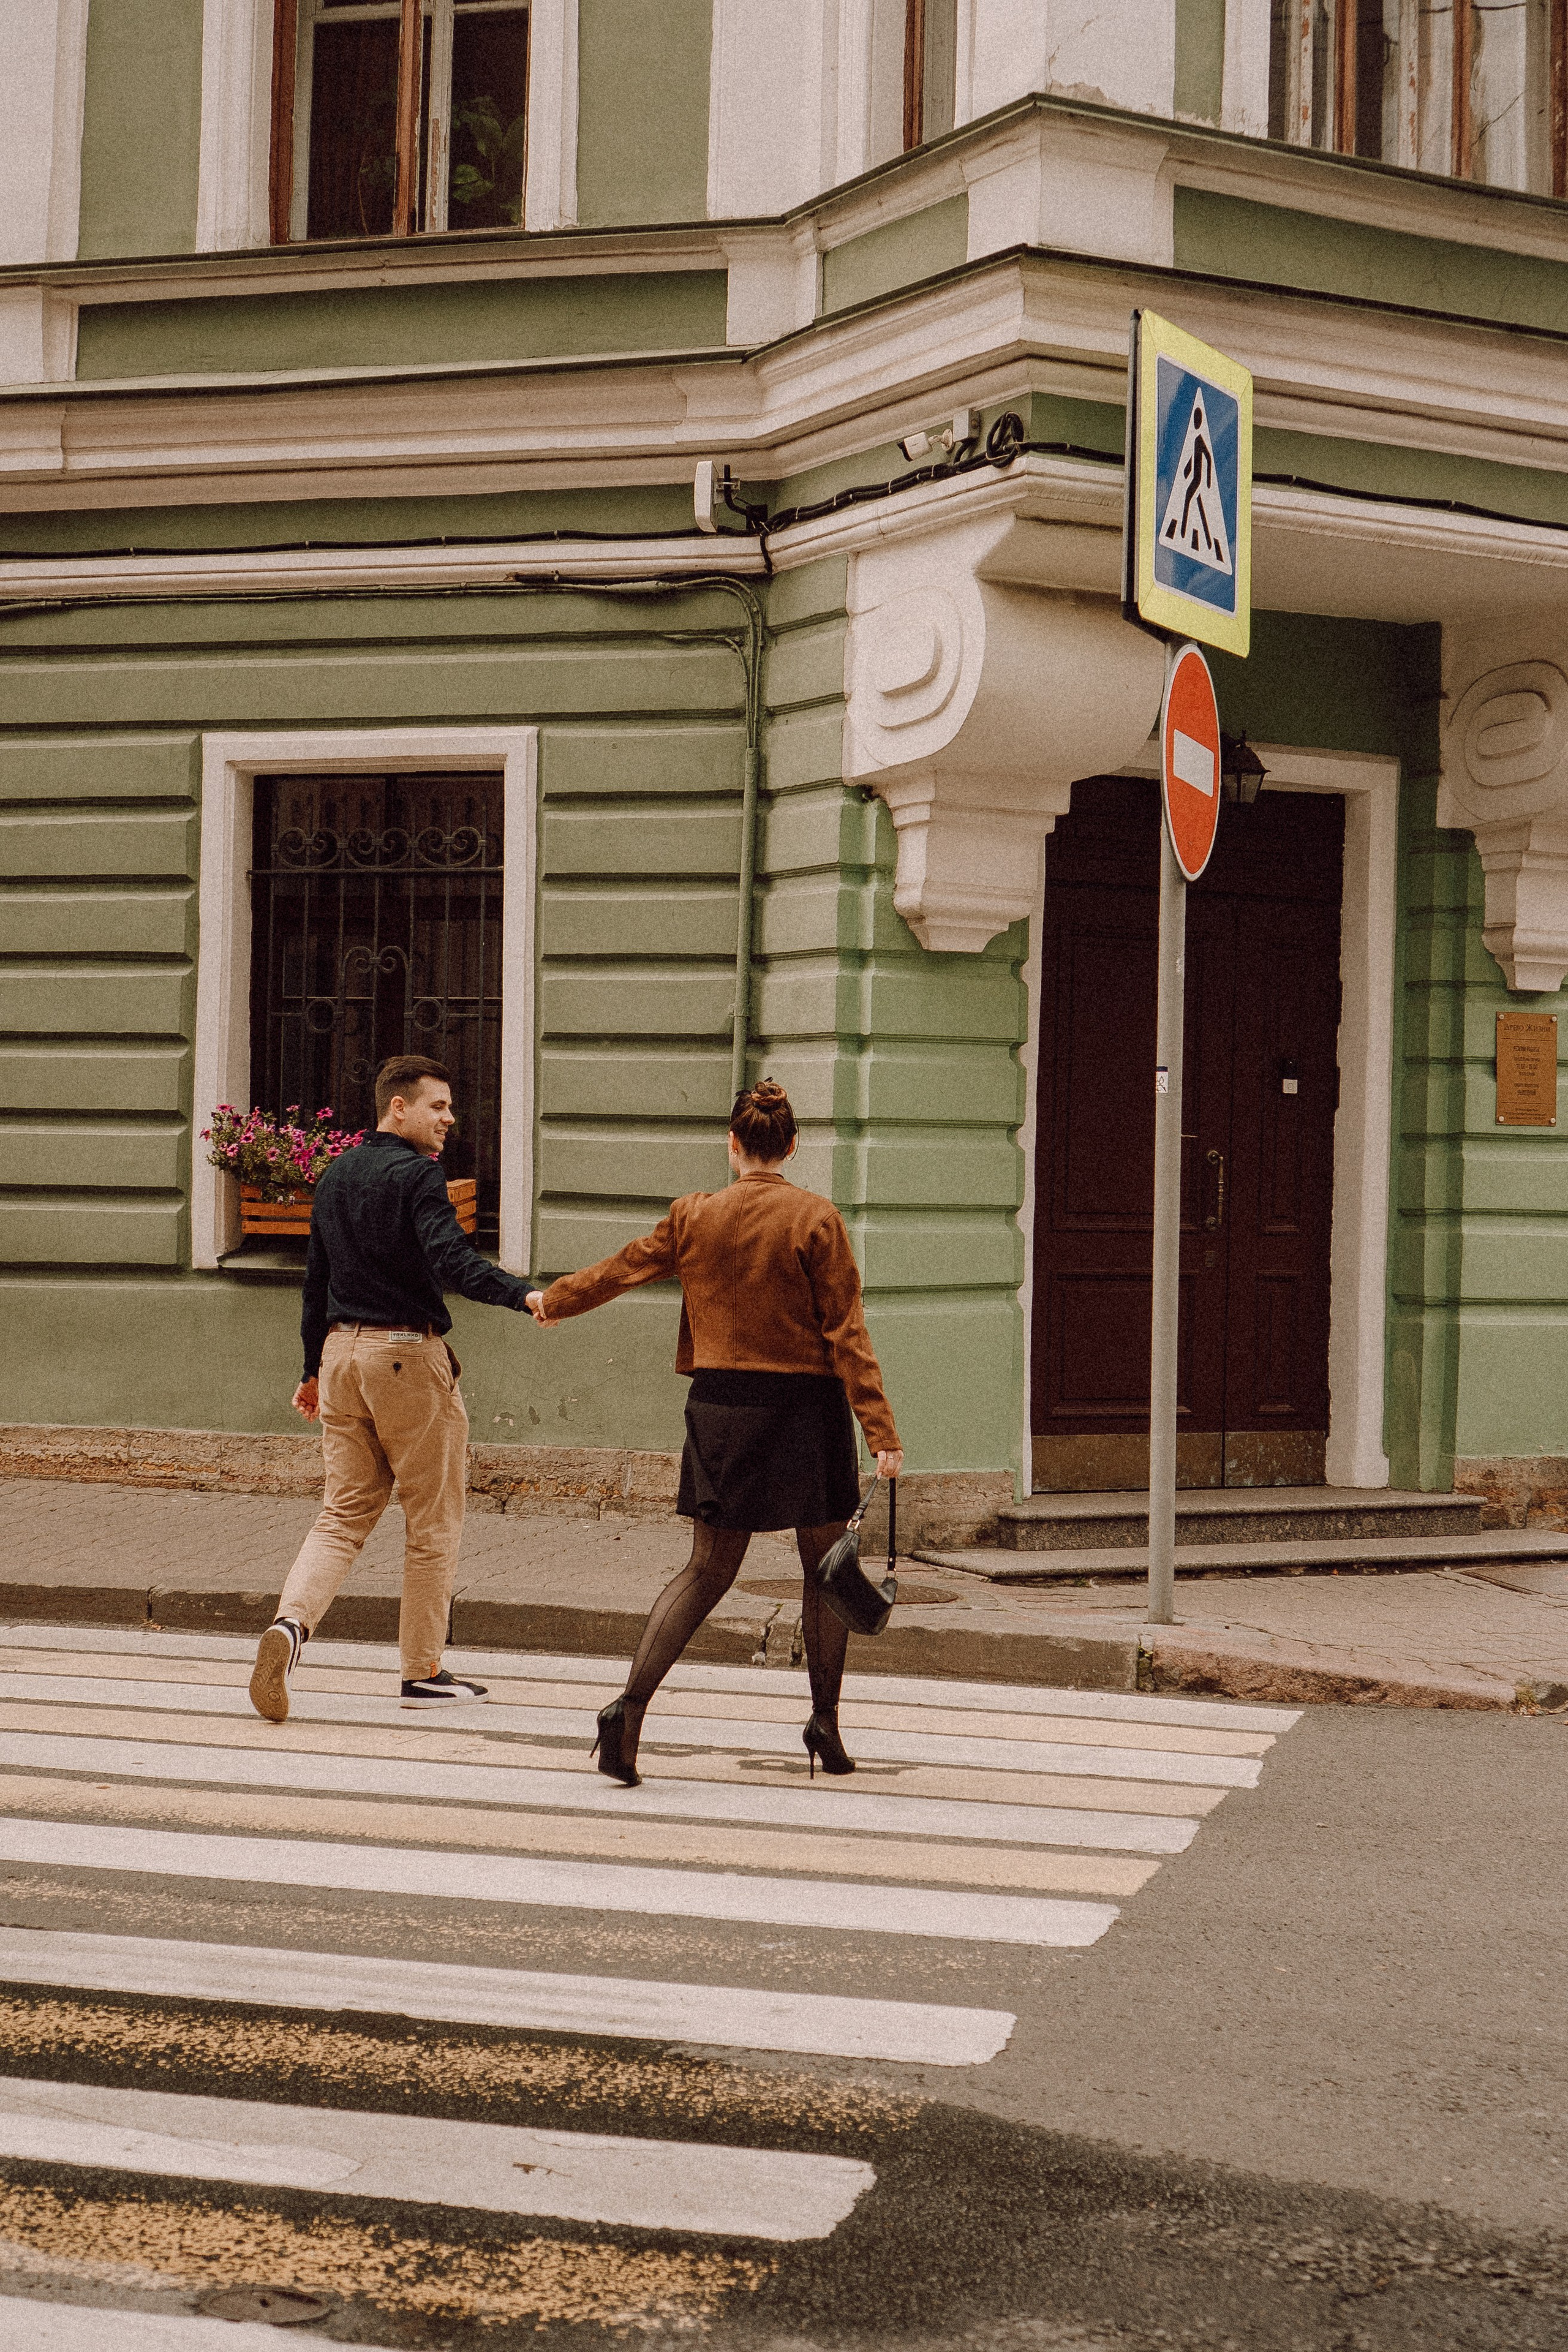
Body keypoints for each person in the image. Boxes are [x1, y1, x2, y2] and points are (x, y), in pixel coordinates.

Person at [529, 1079, 902, 1786]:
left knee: (707, 1570)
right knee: (825, 1572)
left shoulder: (693, 1215)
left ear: (732, 1146)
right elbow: (846, 1334)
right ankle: (824, 1724)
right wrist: (880, 1432)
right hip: (805, 1412)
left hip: (722, 1409)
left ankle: (627, 1713)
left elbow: (621, 1269)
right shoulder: (816, 1219)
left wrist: (554, 1300)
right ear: (790, 1147)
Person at [248, 1053, 541, 1724]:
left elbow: (314, 1280)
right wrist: (523, 1296)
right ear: (397, 1108)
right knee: (432, 1520)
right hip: (406, 1356)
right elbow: (453, 1263)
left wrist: (311, 1371)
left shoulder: (338, 1173)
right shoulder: (417, 1176)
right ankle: (423, 1672)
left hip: (342, 1355)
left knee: (343, 1513)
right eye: (437, 1106)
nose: (449, 1118)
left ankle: (289, 1629)